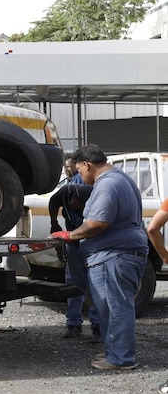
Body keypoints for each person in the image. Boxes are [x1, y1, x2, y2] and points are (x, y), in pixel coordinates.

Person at [51, 144, 147, 370]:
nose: (79, 175)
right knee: (112, 307)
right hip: (119, 253)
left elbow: (97, 223)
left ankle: (120, 358)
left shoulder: (107, 184)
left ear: (87, 165)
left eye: (79, 170)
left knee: (114, 308)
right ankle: (116, 353)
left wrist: (70, 235)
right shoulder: (121, 179)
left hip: (113, 256)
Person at [48, 182, 99, 340]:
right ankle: (73, 324)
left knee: (95, 284)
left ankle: (98, 327)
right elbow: (53, 202)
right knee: (74, 282)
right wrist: (54, 222)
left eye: (77, 202)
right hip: (74, 244)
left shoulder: (96, 203)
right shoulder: (66, 192)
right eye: (73, 198)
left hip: (93, 244)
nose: (72, 203)